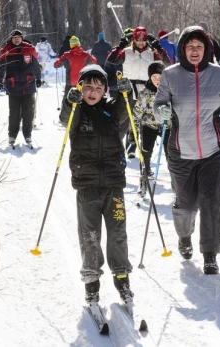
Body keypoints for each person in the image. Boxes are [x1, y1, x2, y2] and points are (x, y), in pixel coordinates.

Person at [154, 26, 220, 275]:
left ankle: (210, 254)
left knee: (211, 202)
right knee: (186, 204)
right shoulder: (170, 74)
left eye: (199, 47)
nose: (194, 51)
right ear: (182, 49)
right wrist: (162, 112)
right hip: (181, 150)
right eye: (190, 46)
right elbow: (159, 104)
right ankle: (184, 236)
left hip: (214, 150)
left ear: (206, 49)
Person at [63, 65, 135, 305]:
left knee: (117, 233)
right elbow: (66, 119)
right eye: (88, 87)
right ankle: (92, 283)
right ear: (80, 88)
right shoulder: (77, 111)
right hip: (87, 184)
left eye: (98, 88)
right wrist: (69, 102)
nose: (92, 92)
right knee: (90, 235)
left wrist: (128, 92)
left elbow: (126, 107)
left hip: (114, 183)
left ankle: (122, 279)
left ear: (105, 91)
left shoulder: (110, 112)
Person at [106, 26, 170, 159]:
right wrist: (120, 45)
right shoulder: (126, 52)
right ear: (133, 40)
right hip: (129, 89)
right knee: (126, 120)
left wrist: (158, 46)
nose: (141, 42)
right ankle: (126, 147)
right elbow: (111, 60)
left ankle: (143, 149)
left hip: (147, 91)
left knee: (144, 120)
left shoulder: (151, 53)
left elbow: (167, 62)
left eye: (143, 39)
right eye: (138, 39)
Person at [0, 29, 42, 147]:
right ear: (11, 39)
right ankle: (12, 135)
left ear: (22, 38)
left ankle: (28, 134)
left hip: (28, 85)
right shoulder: (6, 50)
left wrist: (38, 78)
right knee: (14, 113)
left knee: (28, 112)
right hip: (13, 86)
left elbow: (36, 65)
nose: (16, 39)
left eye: (18, 37)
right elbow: (1, 67)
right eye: (14, 38)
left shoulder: (29, 49)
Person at [134, 61, 168, 179]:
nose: (157, 79)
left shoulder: (170, 90)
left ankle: (175, 175)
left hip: (166, 126)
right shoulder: (145, 93)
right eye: (154, 77)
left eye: (160, 77)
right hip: (149, 124)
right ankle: (145, 171)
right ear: (150, 77)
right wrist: (133, 130)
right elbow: (137, 111)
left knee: (171, 152)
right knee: (146, 150)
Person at [54, 36, 97, 124]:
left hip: (70, 82)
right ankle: (84, 118)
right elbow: (94, 62)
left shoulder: (67, 54)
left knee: (67, 99)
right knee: (84, 99)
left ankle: (64, 119)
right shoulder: (86, 54)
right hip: (83, 82)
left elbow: (56, 64)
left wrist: (58, 63)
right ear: (79, 44)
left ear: (71, 45)